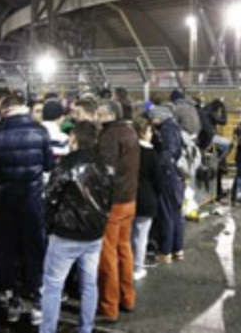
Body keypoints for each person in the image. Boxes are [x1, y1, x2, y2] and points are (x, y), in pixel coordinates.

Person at [41, 122, 115, 333]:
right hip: (94, 235)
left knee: (53, 286)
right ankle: (86, 328)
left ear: (74, 138)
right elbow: (110, 199)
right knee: (89, 285)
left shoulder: (66, 163)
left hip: (65, 234)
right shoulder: (106, 165)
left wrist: (48, 224)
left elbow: (50, 196)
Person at [0, 92, 54, 326]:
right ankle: (38, 302)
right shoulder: (39, 130)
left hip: (5, 201)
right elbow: (48, 165)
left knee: (7, 251)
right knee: (35, 250)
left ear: (5, 109)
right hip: (32, 200)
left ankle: (13, 301)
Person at [95, 100, 139, 323]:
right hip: (129, 199)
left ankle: (109, 306)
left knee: (108, 255)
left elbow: (106, 171)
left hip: (113, 202)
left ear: (111, 115)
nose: (97, 118)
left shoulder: (110, 136)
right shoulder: (130, 132)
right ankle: (128, 298)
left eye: (100, 114)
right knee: (124, 249)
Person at [149, 106, 185, 264]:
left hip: (168, 177)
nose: (151, 121)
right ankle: (178, 250)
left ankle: (165, 252)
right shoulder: (176, 127)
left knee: (166, 215)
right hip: (177, 177)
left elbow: (169, 152)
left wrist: (158, 167)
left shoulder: (166, 129)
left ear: (159, 117)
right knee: (176, 215)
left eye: (153, 118)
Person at [131, 117, 161, 281]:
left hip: (129, 197)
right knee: (141, 237)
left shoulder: (129, 150)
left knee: (128, 236)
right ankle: (138, 268)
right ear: (142, 133)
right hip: (147, 198)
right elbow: (158, 180)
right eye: (149, 131)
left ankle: (126, 266)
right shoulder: (151, 154)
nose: (152, 134)